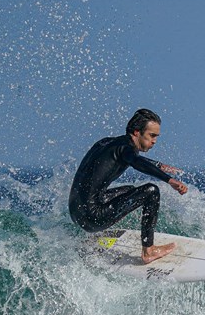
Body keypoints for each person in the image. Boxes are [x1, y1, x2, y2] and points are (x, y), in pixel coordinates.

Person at [69, 109, 188, 263]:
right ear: (137, 132)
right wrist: (169, 180)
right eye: (152, 135)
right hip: (92, 218)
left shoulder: (107, 143)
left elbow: (131, 157)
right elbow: (135, 161)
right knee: (151, 191)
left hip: (75, 213)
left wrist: (158, 165)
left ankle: (91, 236)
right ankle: (149, 251)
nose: (154, 141)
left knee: (130, 191)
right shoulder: (126, 149)